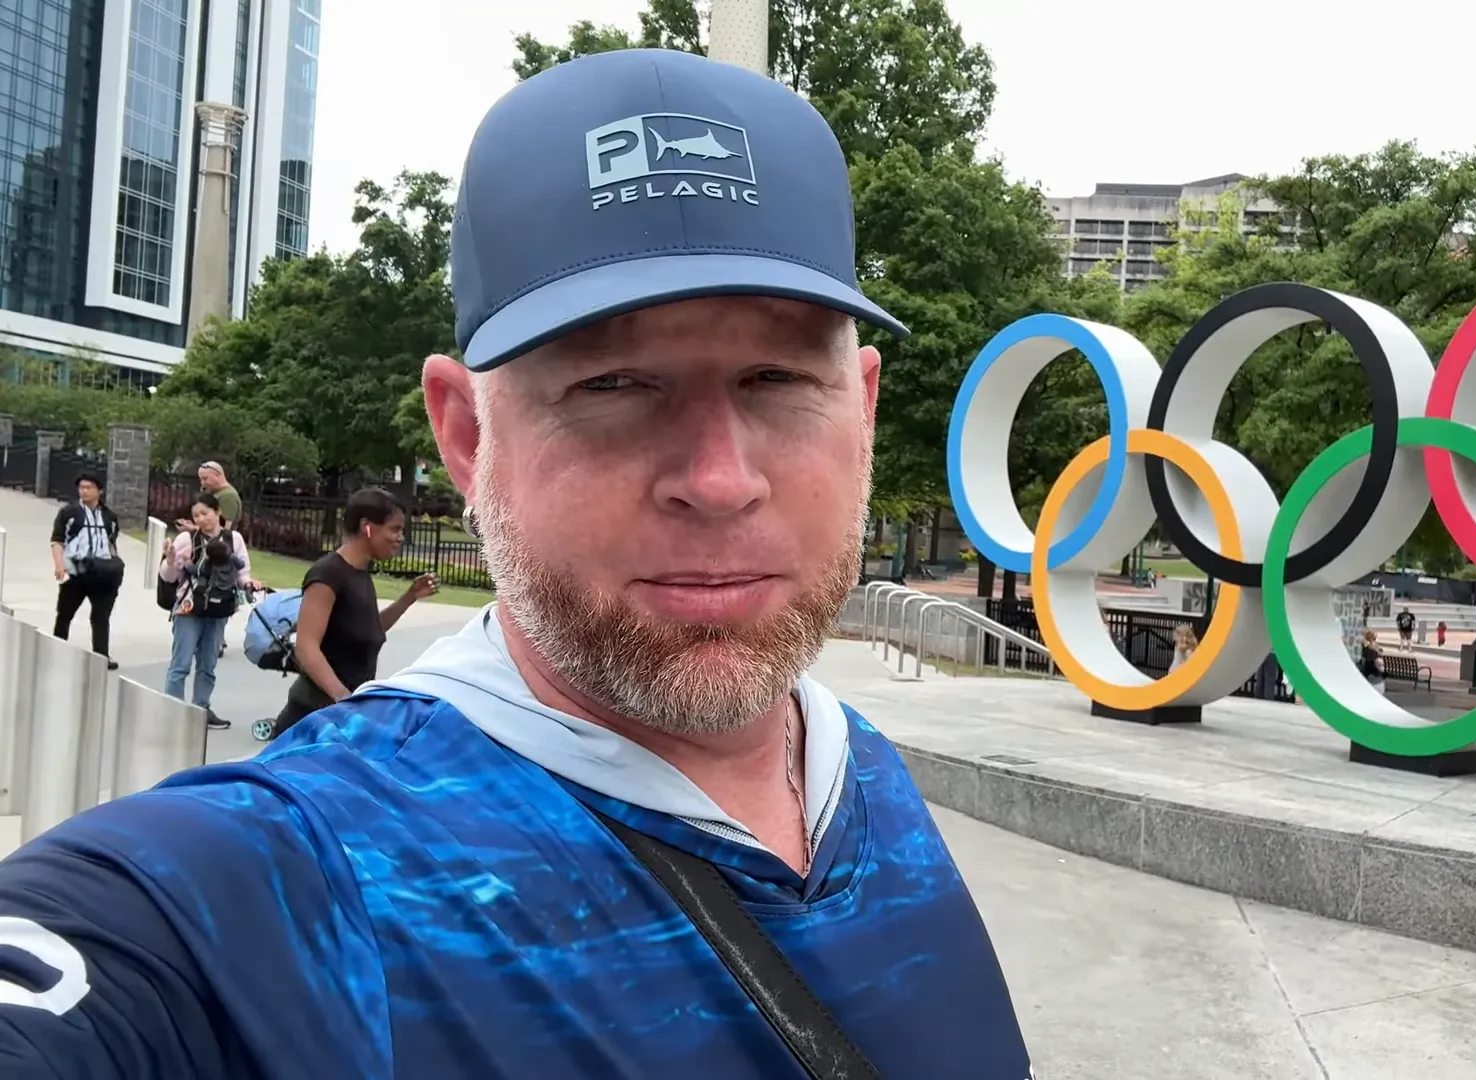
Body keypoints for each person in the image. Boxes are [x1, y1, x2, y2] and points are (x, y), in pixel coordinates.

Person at [0, 50, 1029, 1079]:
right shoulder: (303, 875)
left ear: (863, 407)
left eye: (776, 378)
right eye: (616, 383)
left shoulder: (864, 773)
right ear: (465, 436)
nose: (719, 479)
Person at [270, 488, 438, 738]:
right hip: (312, 717)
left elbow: (368, 629)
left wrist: (409, 597)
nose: (400, 538)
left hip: (342, 715)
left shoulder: (359, 573)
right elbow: (306, 646)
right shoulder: (327, 574)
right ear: (367, 527)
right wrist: (342, 697)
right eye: (394, 529)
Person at [160, 494, 263, 729]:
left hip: (219, 609)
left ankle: (201, 709)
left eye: (205, 513)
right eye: (196, 515)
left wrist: (248, 583)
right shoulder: (187, 538)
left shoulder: (233, 539)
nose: (201, 519)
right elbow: (168, 577)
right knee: (181, 663)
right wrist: (170, 559)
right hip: (189, 608)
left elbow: (241, 572)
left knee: (208, 664)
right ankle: (171, 709)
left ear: (217, 512)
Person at [47, 472, 125, 670]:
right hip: (76, 571)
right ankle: (57, 650)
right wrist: (59, 564)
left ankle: (101, 656)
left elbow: (111, 542)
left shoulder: (109, 516)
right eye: (81, 487)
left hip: (103, 572)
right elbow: (57, 540)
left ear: (99, 490)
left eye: (89, 487)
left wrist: (114, 564)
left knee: (101, 617)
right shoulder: (69, 513)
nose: (84, 491)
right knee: (64, 614)